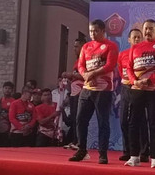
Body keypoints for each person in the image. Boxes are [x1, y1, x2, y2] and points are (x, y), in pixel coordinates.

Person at [69, 19, 119, 164]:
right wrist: (85, 75)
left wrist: (94, 74)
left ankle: (102, 153)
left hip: (103, 90)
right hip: (87, 88)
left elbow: (110, 65)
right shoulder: (86, 47)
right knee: (80, 120)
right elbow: (81, 65)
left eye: (96, 31)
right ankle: (82, 150)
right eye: (91, 31)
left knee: (103, 121)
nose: (93, 33)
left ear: (103, 31)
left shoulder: (111, 46)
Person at [125, 19, 155, 168]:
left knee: (154, 124)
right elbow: (129, 68)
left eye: (151, 28)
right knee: (133, 123)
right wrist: (134, 81)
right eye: (145, 29)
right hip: (137, 90)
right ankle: (134, 156)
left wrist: (151, 79)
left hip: (154, 91)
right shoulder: (135, 47)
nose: (147, 31)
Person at [117, 28, 148, 161]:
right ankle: (127, 151)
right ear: (129, 39)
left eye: (139, 37)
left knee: (140, 120)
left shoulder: (145, 54)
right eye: (134, 37)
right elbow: (120, 70)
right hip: (126, 87)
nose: (136, 39)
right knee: (124, 120)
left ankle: (144, 152)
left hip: (139, 88)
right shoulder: (122, 54)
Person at [62, 38, 86, 149]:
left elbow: (85, 76)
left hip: (81, 91)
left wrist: (71, 75)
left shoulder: (86, 59)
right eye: (74, 46)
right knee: (74, 117)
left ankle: (79, 142)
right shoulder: (77, 61)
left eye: (76, 46)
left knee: (79, 117)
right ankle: (74, 140)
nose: (74, 49)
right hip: (74, 91)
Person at [0, 81, 15, 147]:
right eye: (6, 88)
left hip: (9, 126)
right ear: (3, 89)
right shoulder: (0, 100)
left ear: (12, 90)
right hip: (0, 126)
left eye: (9, 88)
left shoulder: (13, 101)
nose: (7, 90)